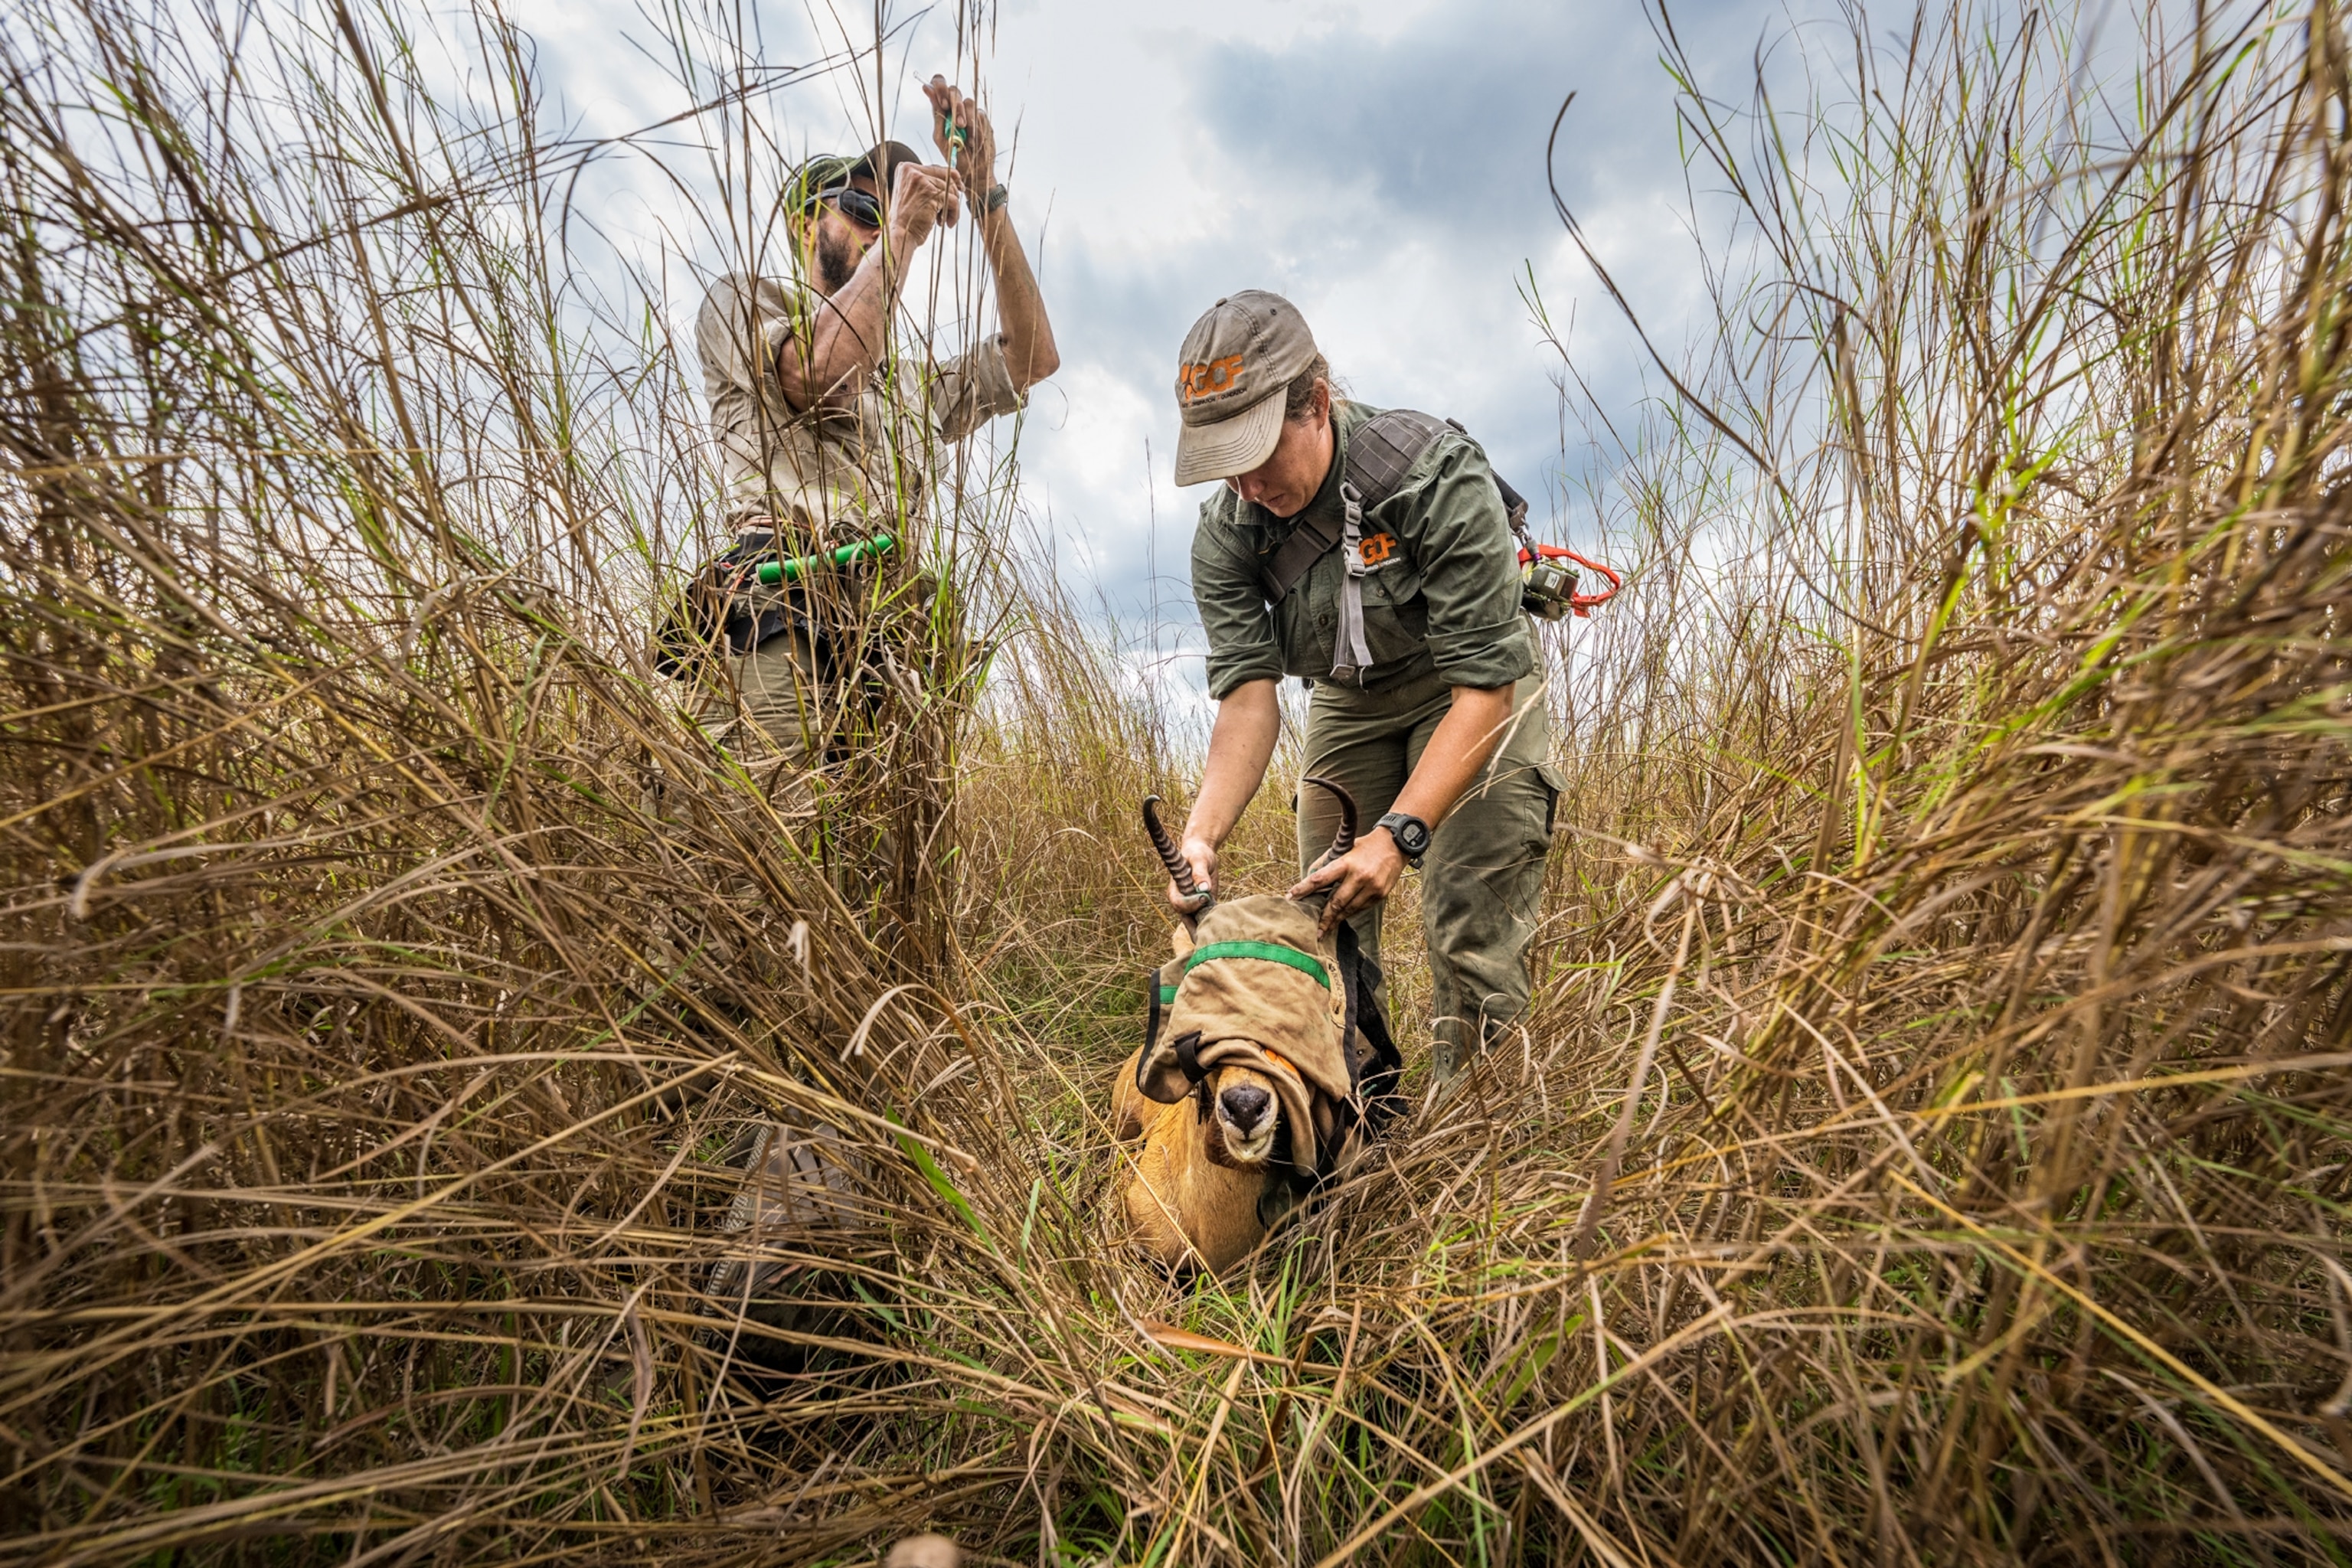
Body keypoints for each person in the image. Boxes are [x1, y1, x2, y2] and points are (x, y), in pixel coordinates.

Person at [1166, 290, 1560, 1083]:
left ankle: (1475, 1152)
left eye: (1255, 453)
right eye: (1223, 465)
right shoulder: (1227, 532)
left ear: (1314, 403)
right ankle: (1360, 1124)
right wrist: (1202, 834)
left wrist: (1398, 835)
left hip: (1472, 690)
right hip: (1351, 696)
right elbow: (1249, 699)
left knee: (1467, 926)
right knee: (1330, 927)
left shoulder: (1431, 476)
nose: (1244, 487)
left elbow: (1485, 688)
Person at [668, 75, 1057, 768]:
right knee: (776, 827)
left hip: (889, 637)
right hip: (781, 604)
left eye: (887, 211)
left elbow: (1032, 358)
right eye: (856, 207)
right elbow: (820, 375)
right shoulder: (745, 302)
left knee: (876, 861)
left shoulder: (910, 383)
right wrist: (905, 230)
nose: (877, 224)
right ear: (803, 223)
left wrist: (986, 193)